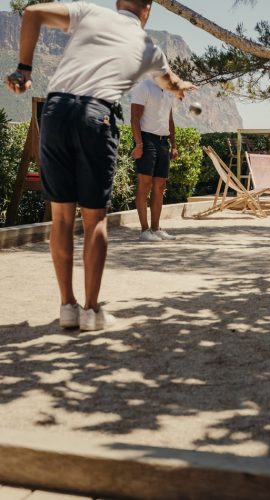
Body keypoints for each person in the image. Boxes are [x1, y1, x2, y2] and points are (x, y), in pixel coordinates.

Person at [5, 0, 195, 331]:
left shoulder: (90, 12)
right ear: (147, 10)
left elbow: (33, 13)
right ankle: (92, 311)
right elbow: (170, 83)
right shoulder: (149, 47)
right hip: (96, 115)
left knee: (62, 217)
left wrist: (24, 70)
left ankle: (67, 306)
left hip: (56, 111)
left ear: (119, 2)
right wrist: (181, 88)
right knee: (94, 220)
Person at [130, 77, 177, 242]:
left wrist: (174, 145)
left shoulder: (170, 91)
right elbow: (134, 117)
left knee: (160, 185)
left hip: (163, 141)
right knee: (145, 183)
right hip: (146, 138)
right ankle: (144, 230)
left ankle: (156, 228)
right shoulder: (144, 86)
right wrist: (139, 144)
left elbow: (170, 121)